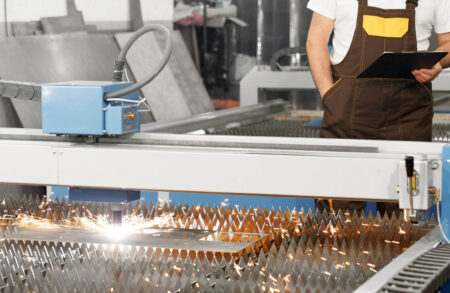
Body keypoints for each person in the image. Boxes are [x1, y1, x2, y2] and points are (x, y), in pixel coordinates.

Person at [306, 0, 450, 215]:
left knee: (405, 213)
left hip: (409, 116)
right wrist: (330, 95)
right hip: (347, 113)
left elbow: (448, 41)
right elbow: (316, 40)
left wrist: (438, 63)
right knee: (339, 212)